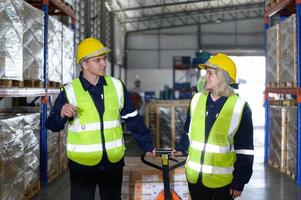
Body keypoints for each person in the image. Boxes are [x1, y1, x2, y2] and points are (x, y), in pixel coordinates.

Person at [45, 37, 155, 200]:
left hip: (112, 163)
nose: (104, 64)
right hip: (82, 166)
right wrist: (61, 113)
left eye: (104, 59)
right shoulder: (70, 91)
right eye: (98, 60)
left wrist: (147, 145)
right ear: (84, 64)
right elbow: (51, 124)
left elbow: (132, 118)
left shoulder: (116, 86)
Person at [174, 54, 254, 200]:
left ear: (222, 76)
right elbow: (188, 131)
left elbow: (245, 150)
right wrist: (181, 147)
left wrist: (239, 182)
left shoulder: (240, 108)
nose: (205, 78)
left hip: (222, 182)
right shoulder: (196, 99)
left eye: (210, 73)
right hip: (195, 178)